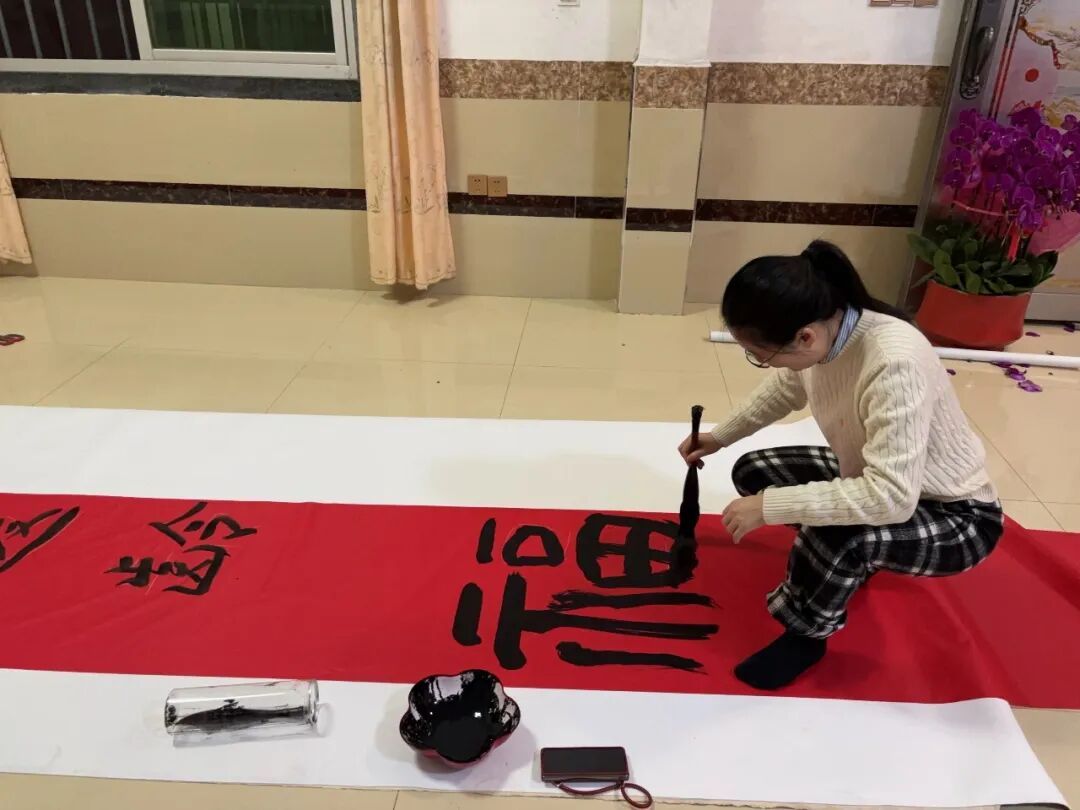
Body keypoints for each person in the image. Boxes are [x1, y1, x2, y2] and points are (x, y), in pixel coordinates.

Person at [679, 240, 1002, 691]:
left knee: (832, 531)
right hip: (881, 480)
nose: (761, 362)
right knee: (756, 471)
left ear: (804, 337)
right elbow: (788, 387)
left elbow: (890, 497)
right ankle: (849, 563)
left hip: (955, 514)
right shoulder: (827, 327)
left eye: (761, 354)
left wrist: (771, 507)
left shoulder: (893, 362)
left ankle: (805, 637)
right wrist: (720, 437)